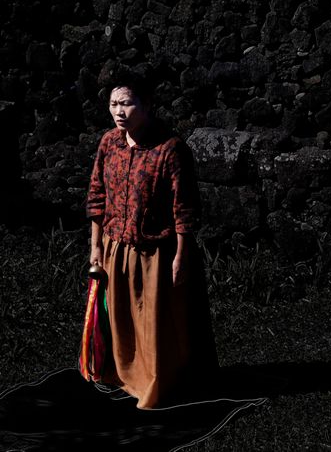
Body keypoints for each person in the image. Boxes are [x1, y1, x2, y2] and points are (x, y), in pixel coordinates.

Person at [84, 74, 219, 409]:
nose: (119, 111)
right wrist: (96, 247)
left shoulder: (170, 150)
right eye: (114, 103)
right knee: (121, 319)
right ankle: (124, 377)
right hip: (117, 247)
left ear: (147, 106)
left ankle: (158, 384)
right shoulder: (109, 143)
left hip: (156, 251)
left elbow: (184, 208)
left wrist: (181, 256)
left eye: (127, 103)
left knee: (155, 324)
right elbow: (97, 197)